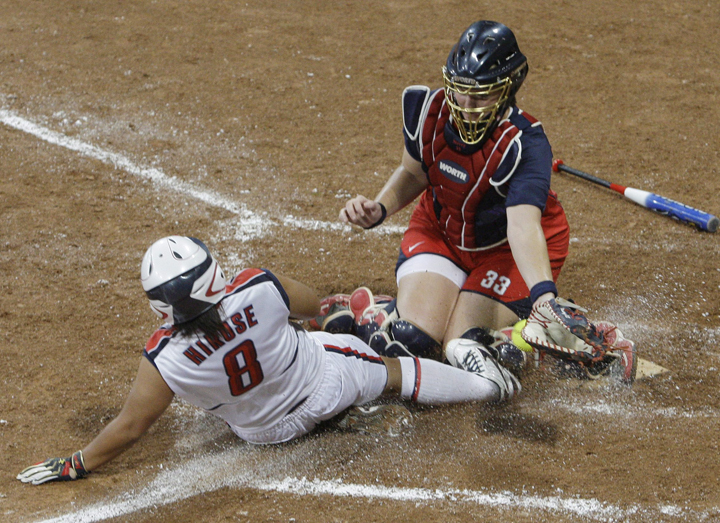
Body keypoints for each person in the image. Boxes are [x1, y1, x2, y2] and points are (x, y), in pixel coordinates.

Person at [17, 236, 520, 485]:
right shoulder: (256, 286)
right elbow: (317, 306)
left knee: (318, 343)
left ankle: (348, 405)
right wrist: (337, 315)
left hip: (263, 432)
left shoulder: (162, 359)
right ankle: (491, 385)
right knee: (386, 367)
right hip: (327, 384)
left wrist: (77, 463)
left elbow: (129, 427)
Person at [338, 20, 571, 361]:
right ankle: (387, 310)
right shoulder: (428, 113)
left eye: (482, 92)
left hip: (504, 251)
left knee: (461, 350)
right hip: (442, 232)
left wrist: (542, 298)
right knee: (412, 341)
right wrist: (381, 207)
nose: (466, 102)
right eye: (460, 88)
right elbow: (412, 171)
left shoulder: (525, 143)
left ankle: (531, 336)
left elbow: (522, 225)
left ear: (509, 86)